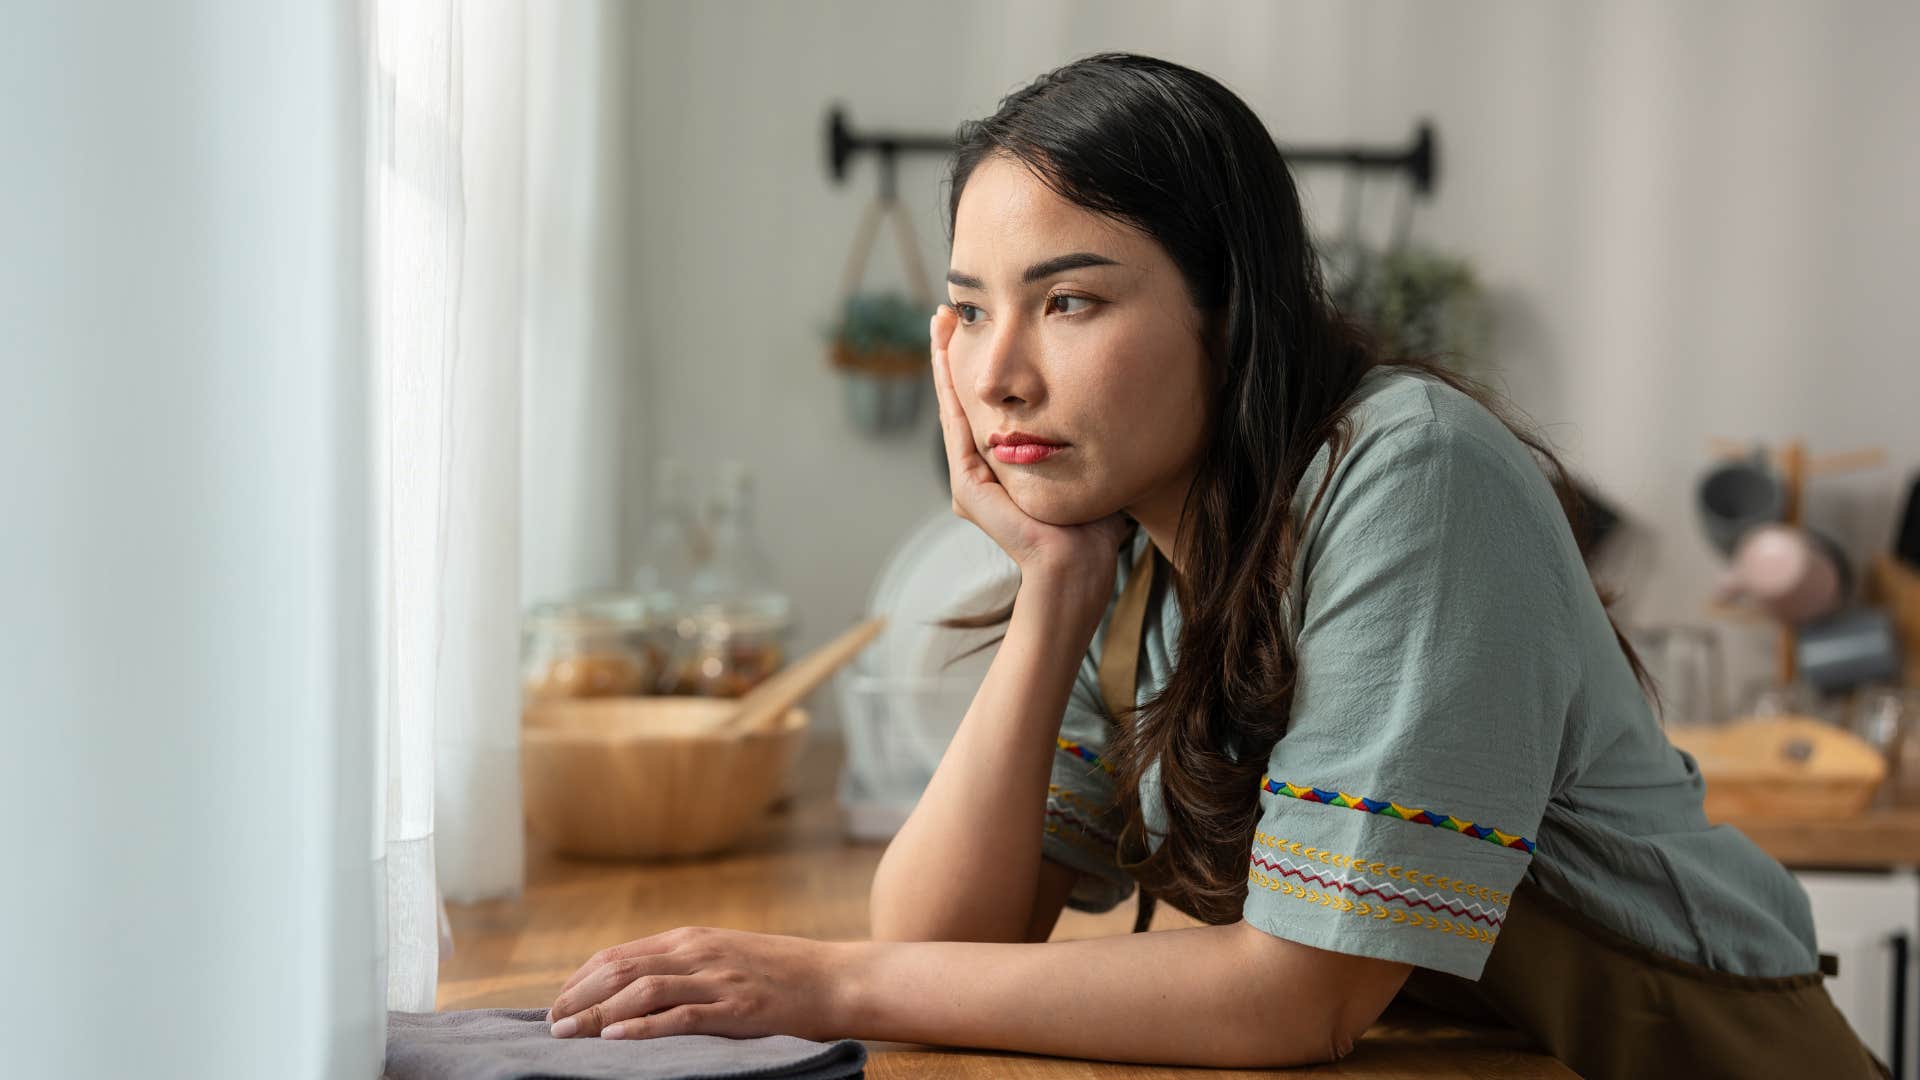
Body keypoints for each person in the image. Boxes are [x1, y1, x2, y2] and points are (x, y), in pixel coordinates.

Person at [541, 52, 1886, 1077]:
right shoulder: (1136, 554)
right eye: (967, 311)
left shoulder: (1407, 473)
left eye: (1069, 300)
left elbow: (1297, 996)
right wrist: (1054, 587)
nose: (998, 372)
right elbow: (940, 934)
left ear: (1228, 310)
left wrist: (820, 988)